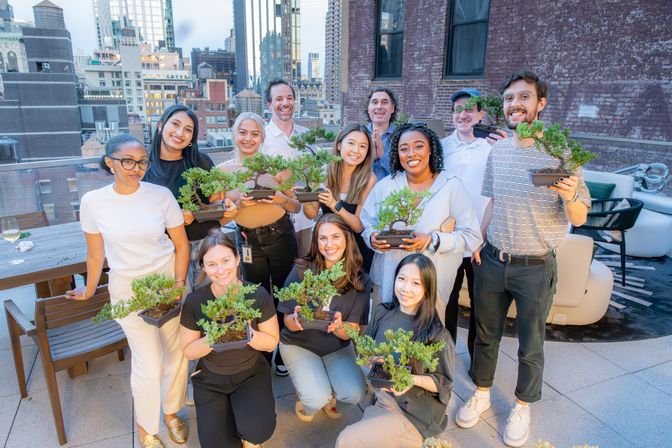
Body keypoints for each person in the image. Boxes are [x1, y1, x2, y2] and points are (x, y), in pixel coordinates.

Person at [455, 72, 591, 447]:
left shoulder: (563, 153)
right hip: (495, 260)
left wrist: (567, 194)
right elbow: (493, 201)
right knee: (485, 334)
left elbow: (579, 217)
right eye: (509, 98)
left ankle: (521, 405)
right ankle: (481, 392)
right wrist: (479, 239)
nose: (515, 104)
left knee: (531, 342)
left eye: (524, 97)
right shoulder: (497, 151)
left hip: (535, 265)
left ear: (540, 104)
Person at [65, 134, 190, 448]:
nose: (137, 168)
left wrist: (177, 285)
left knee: (176, 353)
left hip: (167, 284)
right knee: (148, 364)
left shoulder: (161, 195)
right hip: (128, 291)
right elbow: (95, 254)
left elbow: (181, 244)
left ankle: (171, 412)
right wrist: (90, 289)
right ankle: (147, 427)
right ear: (110, 162)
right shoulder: (93, 202)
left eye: (142, 161)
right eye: (128, 161)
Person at [361, 123, 482, 317]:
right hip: (390, 279)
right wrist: (373, 237)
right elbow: (367, 223)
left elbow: (472, 236)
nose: (411, 153)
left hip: (432, 282)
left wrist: (432, 240)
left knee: (425, 340)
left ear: (430, 149)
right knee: (386, 336)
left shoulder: (451, 186)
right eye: (403, 148)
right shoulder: (385, 187)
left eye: (418, 146)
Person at [336, 254, 455, 448]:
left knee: (348, 439)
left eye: (416, 283)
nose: (406, 288)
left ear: (427, 289)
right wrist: (370, 359)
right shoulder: (382, 312)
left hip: (414, 413)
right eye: (402, 279)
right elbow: (365, 352)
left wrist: (411, 379)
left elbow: (444, 384)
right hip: (382, 398)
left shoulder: (436, 334)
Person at [217, 111, 301, 377]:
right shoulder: (223, 171)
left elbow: (296, 206)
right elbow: (220, 216)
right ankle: (264, 353)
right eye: (243, 132)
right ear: (234, 135)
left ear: (263, 137)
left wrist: (279, 200)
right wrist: (238, 205)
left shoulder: (276, 166)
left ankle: (285, 351)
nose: (248, 138)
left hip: (280, 236)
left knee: (285, 296)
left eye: (255, 133)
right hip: (247, 241)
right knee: (256, 298)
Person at [179, 229, 279, 448]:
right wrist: (213, 335)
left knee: (257, 431)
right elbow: (188, 350)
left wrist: (248, 333)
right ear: (203, 267)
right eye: (212, 264)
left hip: (250, 373)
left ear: (237, 259)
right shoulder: (195, 302)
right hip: (211, 378)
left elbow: (271, 342)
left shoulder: (257, 295)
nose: (220, 269)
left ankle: (248, 431)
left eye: (225, 260)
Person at [278, 214, 370, 423]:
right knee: (315, 398)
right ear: (315, 240)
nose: (329, 245)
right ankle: (308, 404)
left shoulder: (360, 279)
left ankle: (331, 395)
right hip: (299, 343)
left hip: (337, 346)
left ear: (347, 239)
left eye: (336, 237)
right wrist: (297, 318)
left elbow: (352, 330)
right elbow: (287, 321)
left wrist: (338, 326)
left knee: (354, 393)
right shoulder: (302, 269)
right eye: (323, 238)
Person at [143, 104, 235, 291]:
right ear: (161, 126)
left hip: (208, 244)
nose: (180, 133)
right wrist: (175, 219)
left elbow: (214, 202)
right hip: (171, 249)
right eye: (175, 124)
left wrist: (225, 205)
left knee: (213, 303)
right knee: (179, 305)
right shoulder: (145, 167)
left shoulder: (202, 161)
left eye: (188, 130)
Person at [440, 88, 493, 356]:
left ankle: (477, 360)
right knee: (446, 301)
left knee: (480, 303)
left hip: (480, 241)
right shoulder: (440, 147)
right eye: (458, 109)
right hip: (448, 239)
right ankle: (444, 357)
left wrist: (481, 236)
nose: (463, 114)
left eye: (470, 109)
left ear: (480, 114)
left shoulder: (493, 148)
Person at [304, 124, 377, 272]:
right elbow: (311, 213)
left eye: (363, 146)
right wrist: (305, 196)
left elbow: (358, 226)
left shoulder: (369, 179)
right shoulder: (324, 172)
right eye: (351, 143)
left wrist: (334, 205)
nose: (356, 150)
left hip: (355, 249)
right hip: (329, 246)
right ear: (339, 145)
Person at [261, 78, 314, 258]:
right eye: (279, 99)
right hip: (276, 222)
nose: (286, 103)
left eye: (289, 98)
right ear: (269, 104)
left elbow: (317, 173)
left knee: (305, 270)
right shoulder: (261, 138)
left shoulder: (306, 135)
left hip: (306, 220)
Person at [365, 87, 398, 180]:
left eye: (384, 102)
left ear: (392, 108)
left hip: (391, 192)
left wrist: (382, 156)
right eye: (375, 102)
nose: (379, 106)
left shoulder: (402, 137)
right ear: (368, 108)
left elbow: (404, 174)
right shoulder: (358, 135)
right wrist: (370, 158)